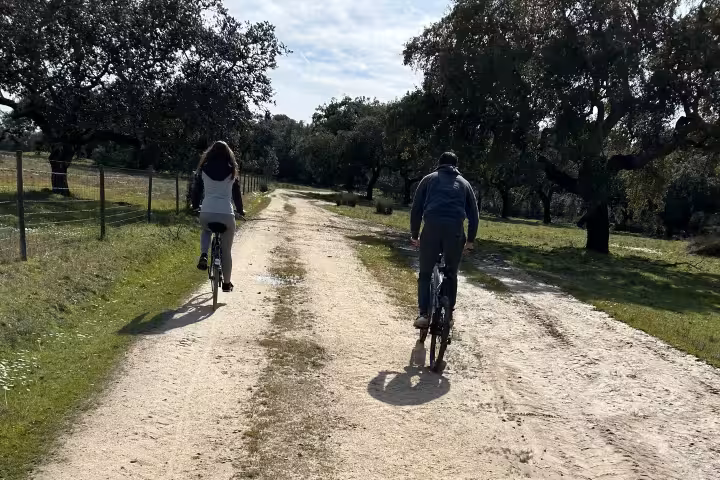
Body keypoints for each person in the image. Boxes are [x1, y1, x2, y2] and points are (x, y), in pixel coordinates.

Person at [410, 152, 479, 329]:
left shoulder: (428, 179)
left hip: (431, 229)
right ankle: (448, 316)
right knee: (451, 273)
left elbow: (416, 209)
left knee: (425, 274)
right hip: (455, 231)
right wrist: (470, 240)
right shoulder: (465, 184)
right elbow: (474, 216)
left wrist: (415, 235)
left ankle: (424, 314)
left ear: (439, 164)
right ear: (456, 166)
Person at [191, 141, 245, 292]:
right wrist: (240, 210)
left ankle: (203, 254)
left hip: (207, 212)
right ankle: (227, 284)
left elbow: (197, 190)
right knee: (226, 251)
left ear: (211, 152)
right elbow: (236, 195)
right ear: (228, 153)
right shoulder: (232, 170)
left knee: (206, 229)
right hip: (226, 214)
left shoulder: (203, 168)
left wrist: (195, 205)